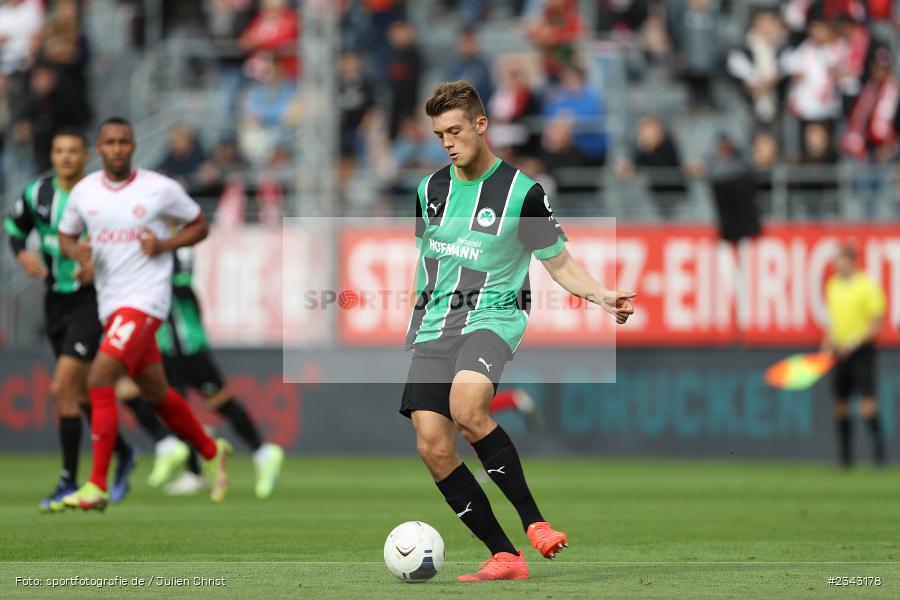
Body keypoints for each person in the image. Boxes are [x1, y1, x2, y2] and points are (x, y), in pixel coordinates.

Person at [403, 81, 635, 581]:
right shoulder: (428, 190)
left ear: (481, 126)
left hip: (491, 318)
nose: (447, 142)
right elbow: (429, 260)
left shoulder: (522, 193)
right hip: (435, 327)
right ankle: (504, 556)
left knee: (468, 409)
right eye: (439, 134)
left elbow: (559, 264)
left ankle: (535, 522)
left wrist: (602, 295)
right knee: (432, 445)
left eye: (456, 130)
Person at [57, 117, 231, 511]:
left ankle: (96, 485)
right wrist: (76, 255)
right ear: (98, 149)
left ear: (133, 146)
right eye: (110, 143)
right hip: (110, 303)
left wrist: (165, 244)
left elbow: (199, 225)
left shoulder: (159, 188)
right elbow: (67, 236)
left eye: (124, 142)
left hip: (147, 300)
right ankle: (210, 449)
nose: (117, 148)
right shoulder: (85, 193)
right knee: (156, 392)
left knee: (100, 379)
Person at [3, 129, 137, 511]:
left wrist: (102, 262)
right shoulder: (38, 193)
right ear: (52, 154)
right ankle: (123, 452)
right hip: (55, 302)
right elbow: (15, 228)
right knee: (77, 394)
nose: (65, 158)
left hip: (92, 302)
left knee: (62, 387)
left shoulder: (100, 196)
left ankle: (68, 480)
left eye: (73, 151)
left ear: (86, 155)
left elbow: (128, 240)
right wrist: (21, 256)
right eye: (59, 151)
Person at [121, 246, 284, 498]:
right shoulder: (142, 250)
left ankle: (264, 453)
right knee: (169, 406)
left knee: (220, 402)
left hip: (189, 344)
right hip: (163, 345)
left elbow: (183, 286)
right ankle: (194, 469)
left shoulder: (179, 247)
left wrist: (149, 278)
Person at [823, 244, 887, 468]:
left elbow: (876, 323)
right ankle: (845, 458)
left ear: (852, 261)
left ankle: (879, 454)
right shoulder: (832, 286)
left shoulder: (867, 286)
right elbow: (833, 322)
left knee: (867, 404)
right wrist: (827, 345)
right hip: (840, 352)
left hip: (861, 352)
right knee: (840, 404)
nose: (836, 265)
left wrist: (855, 342)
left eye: (840, 260)